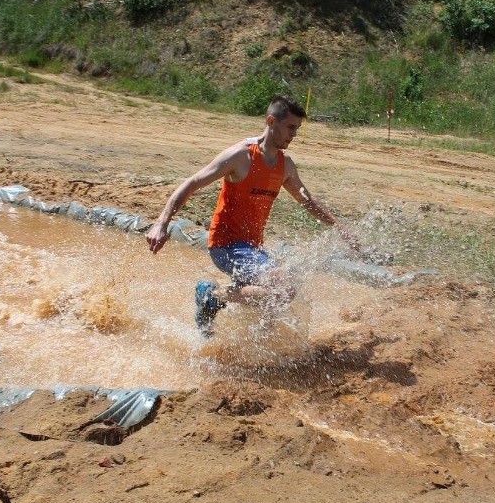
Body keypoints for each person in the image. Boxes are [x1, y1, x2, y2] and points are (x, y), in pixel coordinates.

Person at [145, 95, 356, 336]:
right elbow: (193, 183)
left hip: (253, 249)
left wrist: (339, 227)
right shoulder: (240, 156)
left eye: (297, 129)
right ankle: (213, 295)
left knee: (275, 295)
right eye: (290, 127)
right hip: (226, 245)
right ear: (271, 121)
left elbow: (306, 201)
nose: (294, 135)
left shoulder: (285, 165)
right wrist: (161, 224)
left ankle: (252, 339)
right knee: (282, 288)